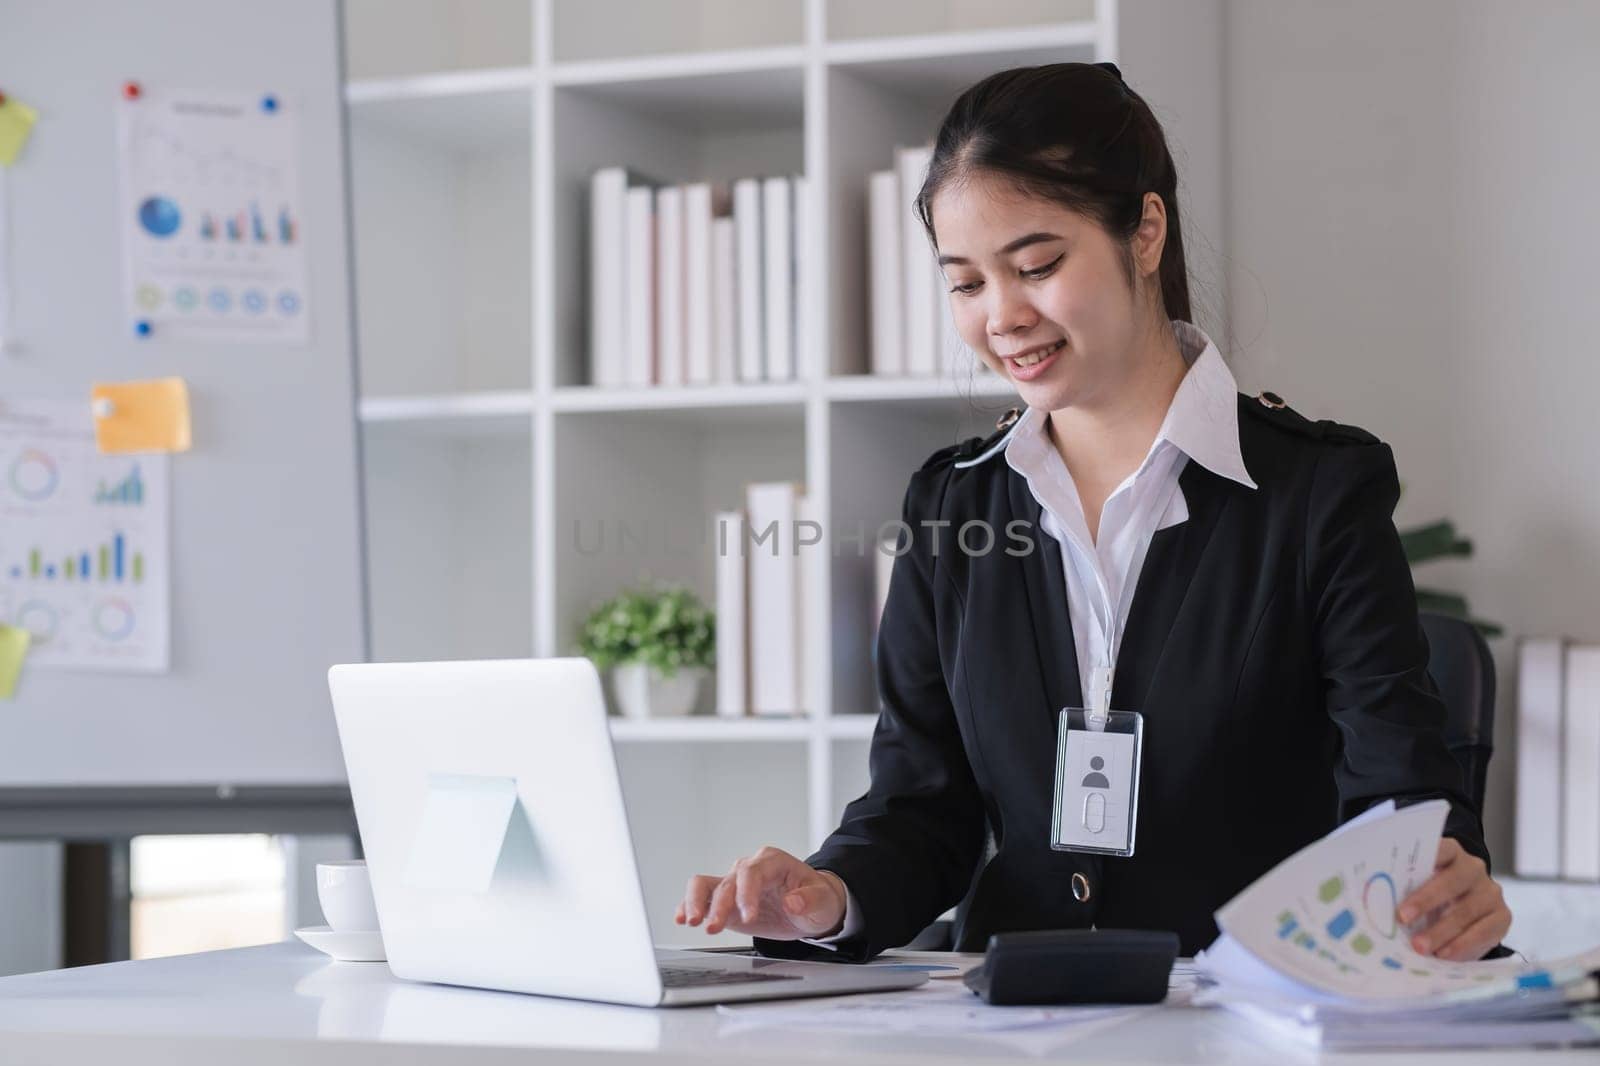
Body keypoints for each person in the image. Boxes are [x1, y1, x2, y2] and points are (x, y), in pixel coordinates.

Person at [674, 62, 1511, 963]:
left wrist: (1438, 878)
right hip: (1009, 1022)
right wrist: (826, 896)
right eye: (966, 284)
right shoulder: (954, 504)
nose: (1002, 317)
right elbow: (921, 809)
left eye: (1036, 265)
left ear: (1145, 232)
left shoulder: (1316, 495)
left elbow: (1399, 801)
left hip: (1243, 1019)